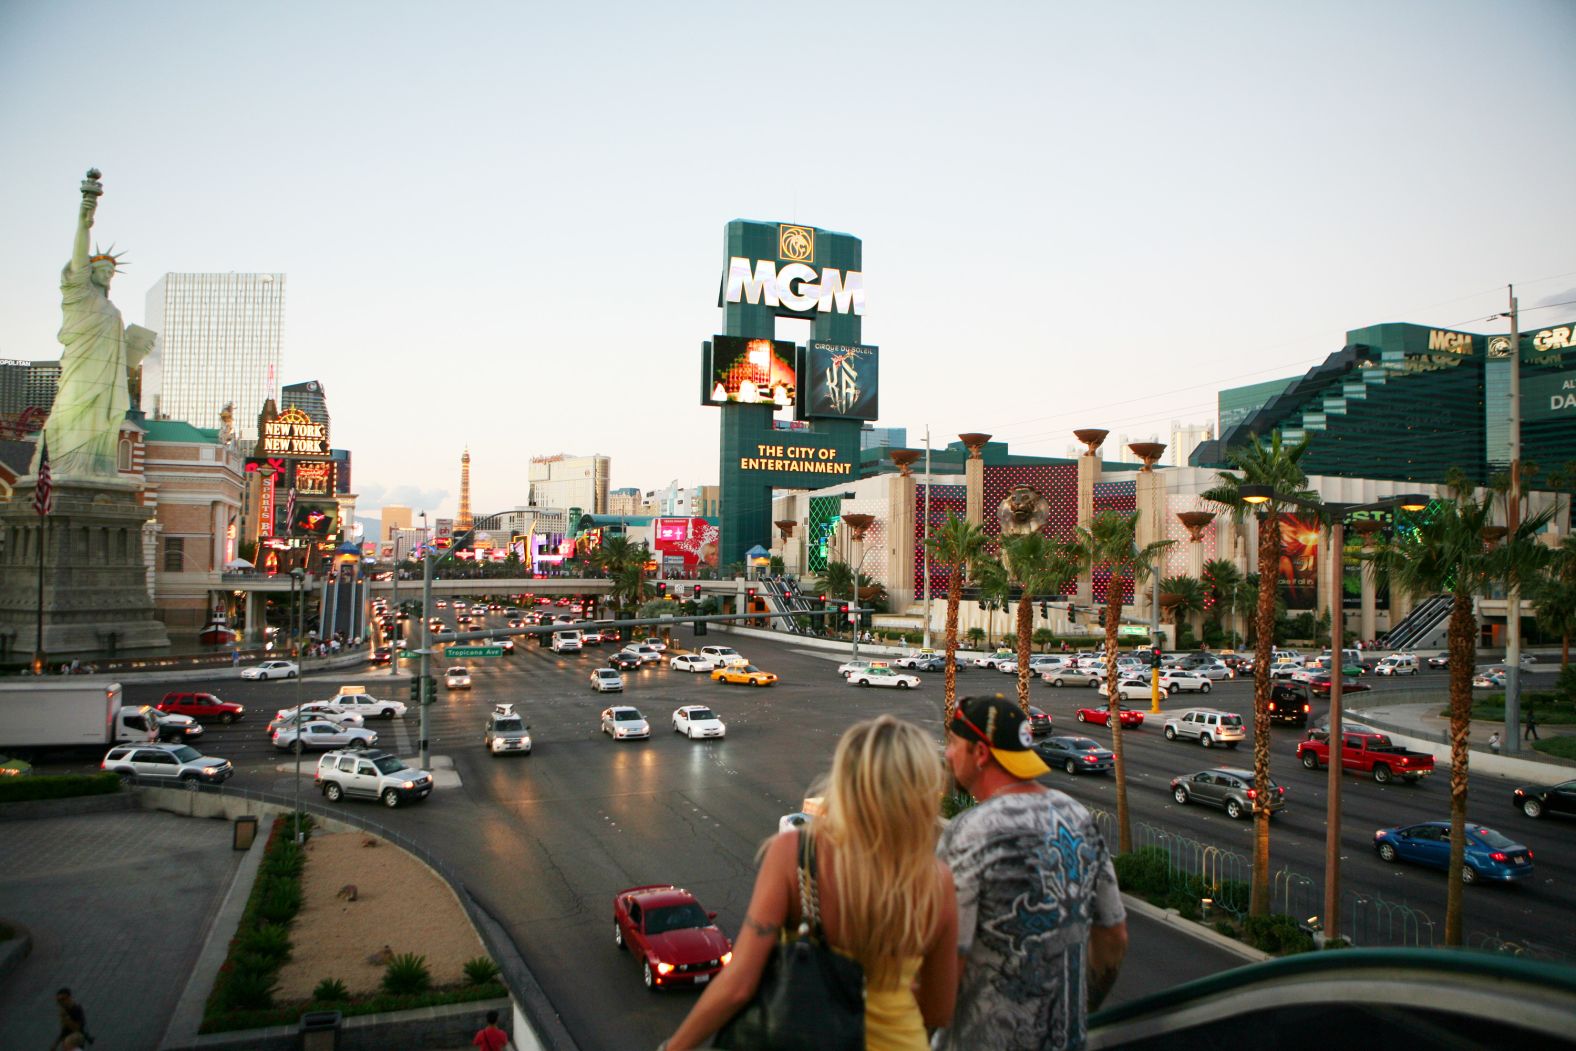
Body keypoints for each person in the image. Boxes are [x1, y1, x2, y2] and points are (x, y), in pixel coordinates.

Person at [662, 715, 959, 1050]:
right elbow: (939, 1008)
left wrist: (674, 1047)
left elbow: (739, 985)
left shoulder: (797, 854)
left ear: (846, 781)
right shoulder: (937, 880)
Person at [937, 696, 1128, 1051]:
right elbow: (1114, 937)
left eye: (953, 744)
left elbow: (950, 960)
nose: (947, 755)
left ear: (980, 753)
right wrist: (1079, 1012)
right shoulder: (1077, 817)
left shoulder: (969, 832)